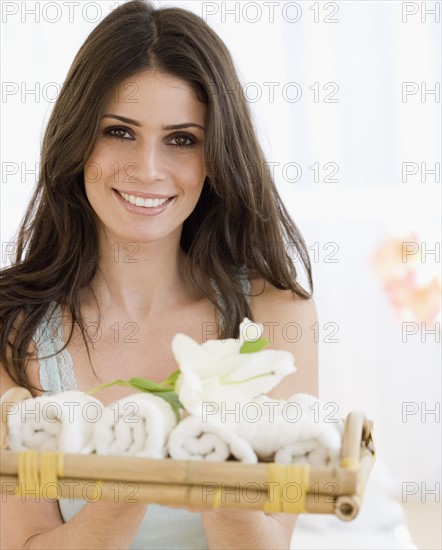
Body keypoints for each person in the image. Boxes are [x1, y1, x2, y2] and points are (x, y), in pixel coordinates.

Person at [0, 1, 318, 548]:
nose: (148, 169)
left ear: (216, 157)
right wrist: (134, 471)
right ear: (78, 143)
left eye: (182, 139)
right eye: (120, 132)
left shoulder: (275, 311)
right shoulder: (13, 322)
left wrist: (217, 461)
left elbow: (266, 543)